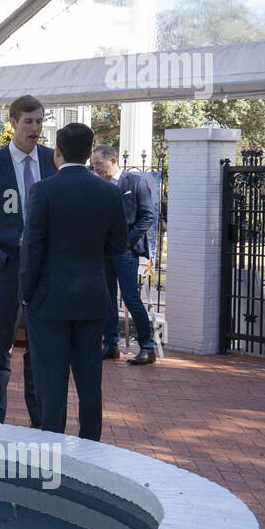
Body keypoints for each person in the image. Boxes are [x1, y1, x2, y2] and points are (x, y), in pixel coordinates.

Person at [19, 123, 127, 441]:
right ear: (89, 152)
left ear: (58, 152)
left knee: (52, 382)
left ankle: (53, 449)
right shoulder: (109, 191)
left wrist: (27, 292)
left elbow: (33, 247)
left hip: (49, 300)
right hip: (92, 297)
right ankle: (90, 450)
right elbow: (119, 244)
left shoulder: (44, 190)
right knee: (90, 381)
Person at [0, 94, 57, 427]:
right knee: (0, 345)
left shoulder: (52, 161)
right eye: (29, 121)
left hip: (46, 270)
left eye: (40, 121)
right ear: (13, 123)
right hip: (6, 266)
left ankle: (40, 422)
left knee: (40, 348)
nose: (35, 128)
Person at [90, 144, 157, 366]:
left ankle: (147, 348)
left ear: (113, 160)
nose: (95, 168)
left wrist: (127, 241)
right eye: (93, 164)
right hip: (102, 249)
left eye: (99, 164)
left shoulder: (136, 182)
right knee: (107, 298)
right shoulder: (98, 185)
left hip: (126, 251)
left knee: (130, 298)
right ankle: (111, 345)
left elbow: (147, 217)